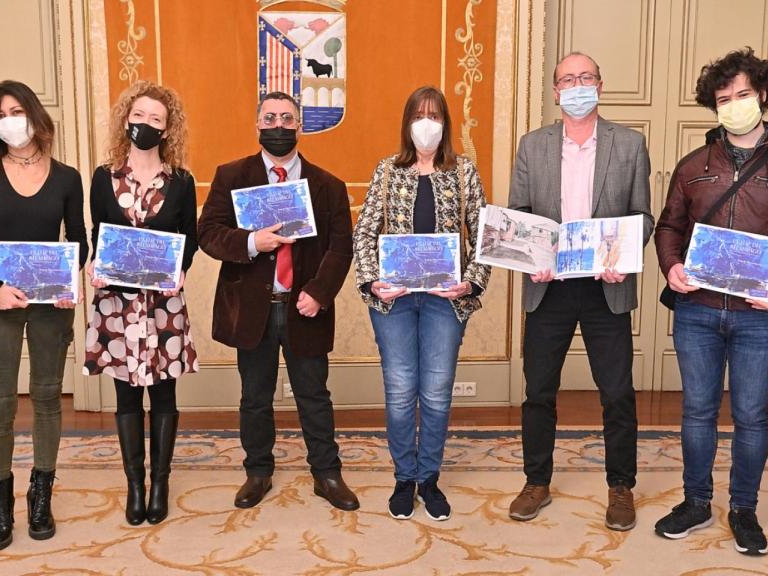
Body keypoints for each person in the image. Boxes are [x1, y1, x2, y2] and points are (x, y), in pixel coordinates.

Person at [653, 48, 768, 556]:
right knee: (697, 412)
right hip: (698, 311)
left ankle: (743, 509)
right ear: (713, 106)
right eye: (723, 98)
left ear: (763, 95)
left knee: (752, 415)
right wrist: (672, 266)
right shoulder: (693, 166)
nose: (734, 105)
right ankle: (695, 502)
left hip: (761, 315)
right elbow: (668, 226)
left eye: (743, 95)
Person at [506, 52, 654, 530]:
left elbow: (643, 217)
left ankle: (621, 487)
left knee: (616, 392)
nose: (576, 85)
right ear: (554, 91)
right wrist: (531, 259)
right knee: (539, 391)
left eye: (585, 77)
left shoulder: (630, 145)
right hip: (549, 289)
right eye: (567, 79)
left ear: (600, 85)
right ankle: (536, 482)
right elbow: (520, 215)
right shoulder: (533, 146)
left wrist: (624, 259)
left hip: (604, 289)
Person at [197, 91, 358, 512]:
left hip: (304, 307)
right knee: (255, 396)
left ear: (300, 126)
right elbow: (208, 233)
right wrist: (251, 241)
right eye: (271, 117)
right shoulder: (231, 175)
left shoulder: (328, 186)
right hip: (252, 309)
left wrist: (319, 292)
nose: (279, 126)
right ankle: (257, 471)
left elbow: (342, 248)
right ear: (257, 125)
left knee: (314, 394)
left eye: (288, 118)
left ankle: (327, 472)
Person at [0, 80, 88, 551]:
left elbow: (79, 239)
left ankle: (41, 494)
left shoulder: (68, 177)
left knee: (48, 398)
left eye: (17, 109)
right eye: (0, 113)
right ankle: (0, 502)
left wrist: (71, 282)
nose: (10, 119)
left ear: (34, 112)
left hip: (52, 304)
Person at [353, 86, 491, 521]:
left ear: (446, 123)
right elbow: (364, 232)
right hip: (394, 301)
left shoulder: (464, 172)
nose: (426, 123)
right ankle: (403, 478)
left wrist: (469, 284)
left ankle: (428, 478)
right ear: (407, 123)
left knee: (434, 394)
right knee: (398, 393)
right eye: (418, 115)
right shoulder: (387, 171)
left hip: (443, 303)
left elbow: (484, 237)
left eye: (434, 115)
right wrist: (373, 281)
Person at [84, 80, 199, 526]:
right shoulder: (102, 177)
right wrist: (95, 264)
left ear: (168, 129)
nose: (145, 124)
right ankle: (135, 484)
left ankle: (161, 482)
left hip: (163, 305)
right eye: (139, 116)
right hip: (116, 306)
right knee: (127, 396)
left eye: (156, 119)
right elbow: (100, 235)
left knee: (164, 395)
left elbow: (189, 238)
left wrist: (182, 268)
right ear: (125, 119)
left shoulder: (182, 181)